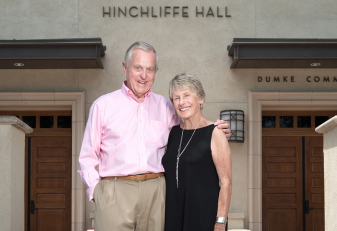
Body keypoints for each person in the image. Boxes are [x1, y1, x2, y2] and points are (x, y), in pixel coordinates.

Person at [78, 42, 230, 231]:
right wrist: (97, 192)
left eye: (150, 69)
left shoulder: (166, 106)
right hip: (114, 192)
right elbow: (86, 158)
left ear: (156, 71)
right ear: (125, 68)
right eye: (138, 68)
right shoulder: (103, 106)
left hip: (157, 192)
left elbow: (190, 130)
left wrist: (216, 130)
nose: (144, 75)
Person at [162, 73, 232, 231]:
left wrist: (220, 222)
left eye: (187, 95)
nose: (181, 102)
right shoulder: (172, 133)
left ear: (201, 99)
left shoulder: (215, 133)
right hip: (172, 217)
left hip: (204, 219)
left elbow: (226, 182)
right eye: (176, 97)